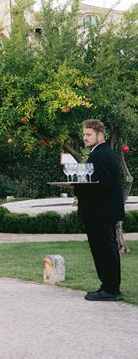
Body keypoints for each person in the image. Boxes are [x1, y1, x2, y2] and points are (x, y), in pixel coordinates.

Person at [80, 119, 124, 301]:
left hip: (100, 212)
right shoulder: (104, 153)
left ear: (100, 134)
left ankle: (110, 289)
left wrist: (76, 186)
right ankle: (109, 287)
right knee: (107, 248)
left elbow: (99, 185)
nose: (85, 138)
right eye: (84, 134)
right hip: (104, 211)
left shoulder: (99, 155)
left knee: (104, 249)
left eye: (89, 134)